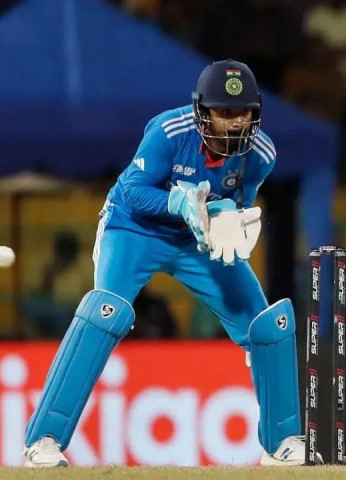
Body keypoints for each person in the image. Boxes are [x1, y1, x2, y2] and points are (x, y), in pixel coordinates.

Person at [21, 60, 310, 467]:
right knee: (105, 312)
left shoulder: (261, 154)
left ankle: (281, 444)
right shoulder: (169, 132)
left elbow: (237, 200)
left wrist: (232, 218)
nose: (235, 123)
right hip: (134, 228)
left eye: (244, 112)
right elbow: (133, 190)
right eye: (225, 112)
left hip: (196, 239)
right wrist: (178, 201)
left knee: (265, 325)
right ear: (202, 111)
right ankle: (43, 439)